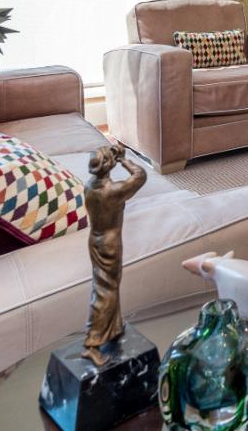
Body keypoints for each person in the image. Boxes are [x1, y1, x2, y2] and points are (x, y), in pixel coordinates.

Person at [82, 144, 148, 365]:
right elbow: (140, 175)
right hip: (110, 244)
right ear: (109, 165)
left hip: (95, 240)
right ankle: (92, 343)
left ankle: (114, 327)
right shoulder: (113, 191)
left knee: (108, 286)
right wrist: (124, 161)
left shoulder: (90, 187)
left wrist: (115, 158)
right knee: (105, 292)